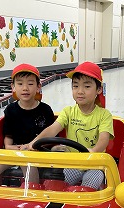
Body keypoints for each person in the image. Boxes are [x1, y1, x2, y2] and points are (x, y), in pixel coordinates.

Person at [27, 61, 114, 190]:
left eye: (87, 86)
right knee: (55, 184)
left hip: (95, 164)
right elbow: (52, 129)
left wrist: (93, 152)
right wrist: (33, 143)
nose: (80, 91)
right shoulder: (68, 112)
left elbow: (104, 139)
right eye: (75, 86)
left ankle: (88, 199)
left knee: (88, 187)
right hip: (73, 163)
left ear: (99, 89)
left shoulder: (104, 115)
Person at [0, 63, 54, 185]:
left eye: (30, 84)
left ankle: (30, 198)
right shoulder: (11, 110)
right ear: (13, 87)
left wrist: (32, 147)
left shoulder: (45, 110)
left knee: (29, 167)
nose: (25, 88)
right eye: (20, 84)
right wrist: (9, 147)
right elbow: (8, 135)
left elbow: (51, 137)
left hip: (37, 152)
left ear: (38, 87)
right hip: (16, 150)